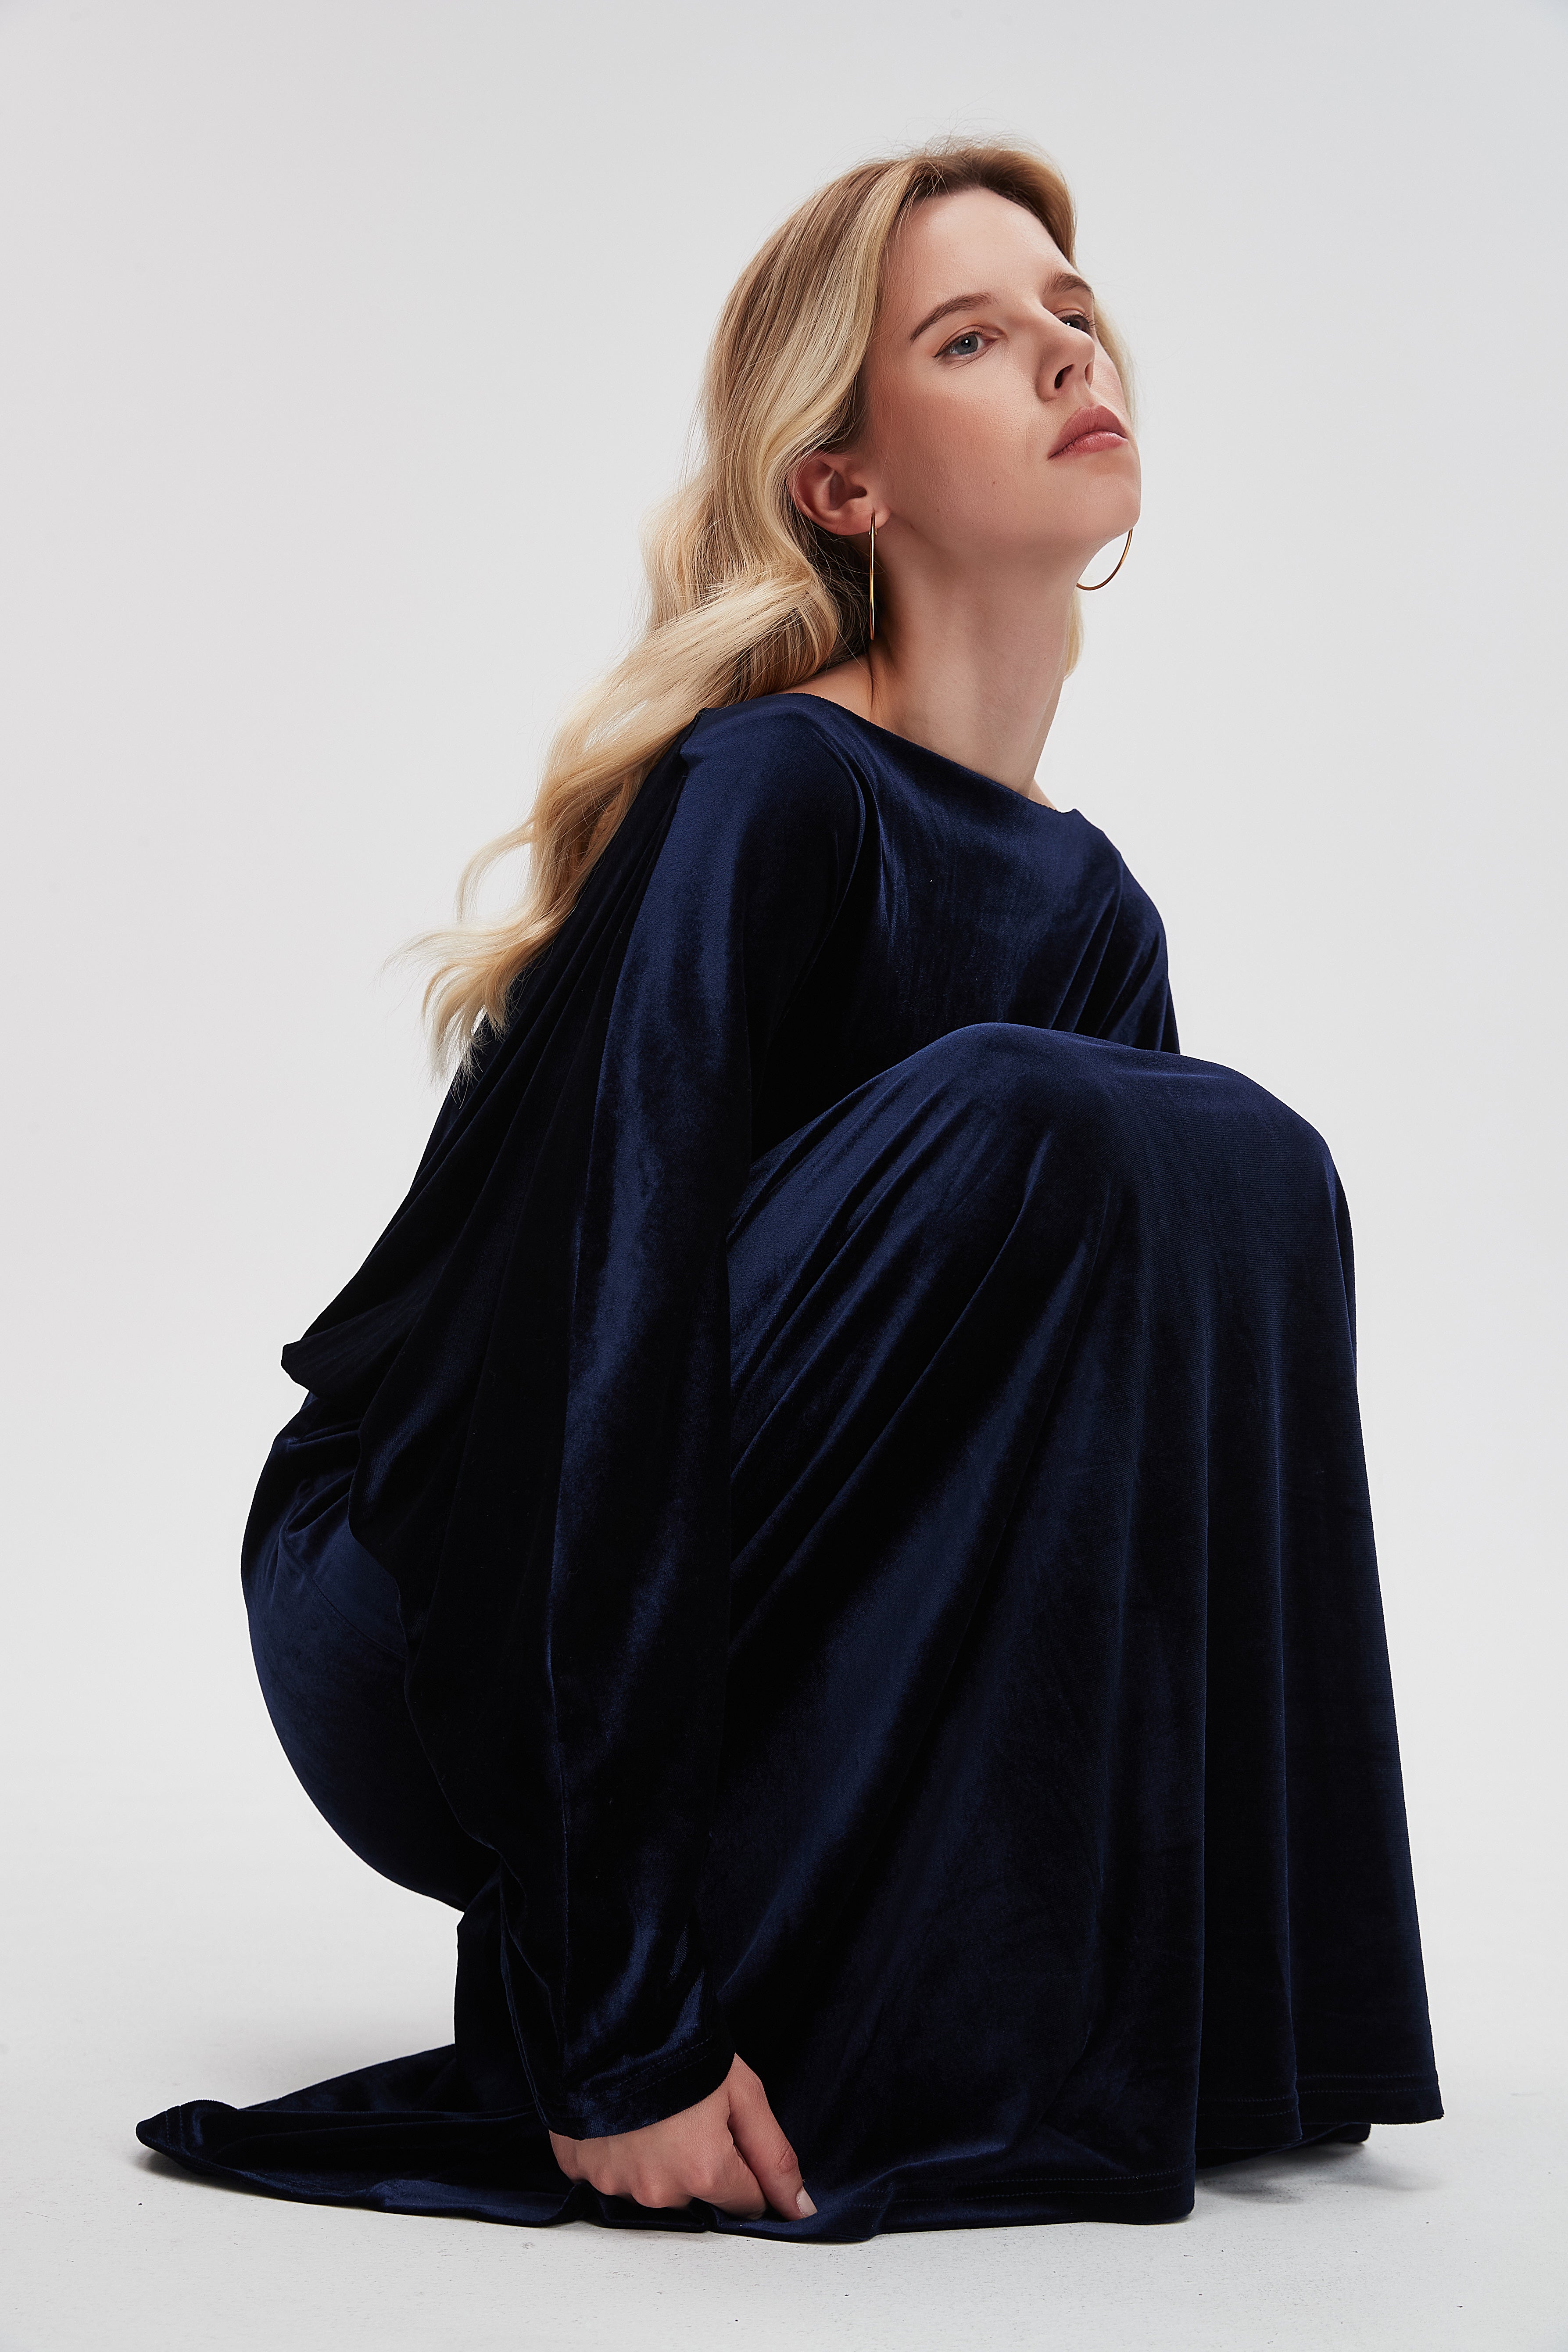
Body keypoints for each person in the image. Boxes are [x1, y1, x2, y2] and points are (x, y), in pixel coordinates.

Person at [136, 139, 1441, 2242]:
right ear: (843, 483)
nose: (1068, 356)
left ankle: (1165, 1992)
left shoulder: (1096, 911)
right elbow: (609, 1333)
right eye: (972, 339)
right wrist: (621, 2025)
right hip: (430, 1583)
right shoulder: (769, 788)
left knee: (1236, 1163)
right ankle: (636, 1939)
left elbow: (1092, 1479)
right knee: (1051, 1113)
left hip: (731, 1577)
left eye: (1072, 314)